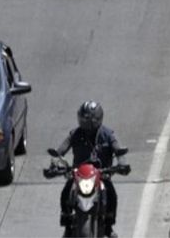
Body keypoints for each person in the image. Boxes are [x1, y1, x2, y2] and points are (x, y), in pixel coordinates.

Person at [49, 101, 128, 237]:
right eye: (83, 119)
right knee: (65, 193)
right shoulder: (75, 134)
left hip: (101, 174)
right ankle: (67, 225)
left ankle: (108, 226)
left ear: (97, 120)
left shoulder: (107, 134)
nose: (85, 124)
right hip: (79, 174)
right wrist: (55, 162)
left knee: (112, 195)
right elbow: (61, 149)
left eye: (88, 120)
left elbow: (118, 149)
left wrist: (122, 163)